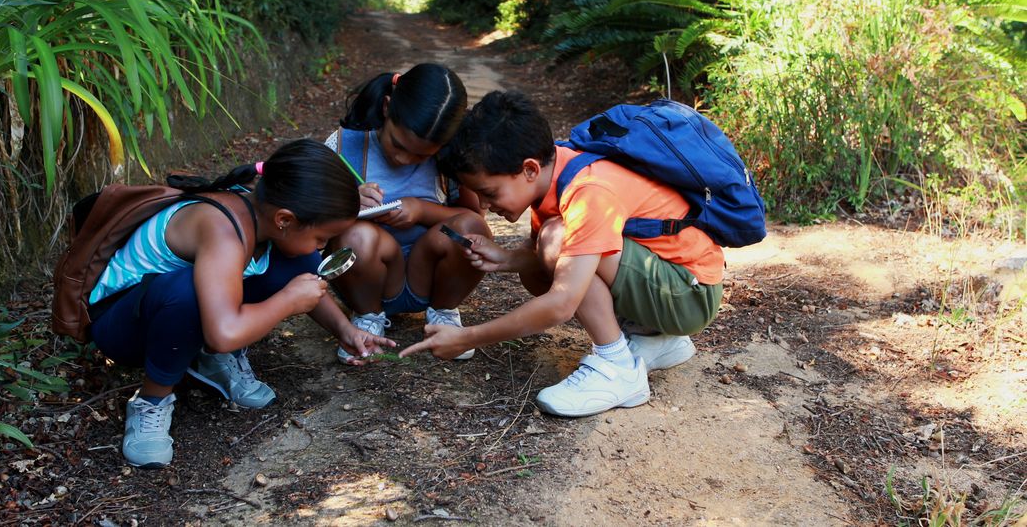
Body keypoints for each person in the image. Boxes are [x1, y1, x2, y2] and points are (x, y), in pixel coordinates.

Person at [401, 91, 725, 417]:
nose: (485, 206)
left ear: (529, 169)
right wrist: (508, 259)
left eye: (489, 193)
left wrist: (466, 338)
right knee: (552, 245)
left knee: (557, 237)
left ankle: (618, 367)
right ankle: (655, 338)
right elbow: (549, 268)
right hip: (670, 281)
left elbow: (560, 303)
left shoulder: (587, 191)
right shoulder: (555, 172)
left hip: (689, 294)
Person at [84, 139, 395, 468]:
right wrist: (288, 301)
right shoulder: (222, 229)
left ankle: (207, 360)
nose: (319, 248)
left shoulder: (263, 213)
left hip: (176, 311)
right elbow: (223, 332)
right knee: (185, 291)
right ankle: (151, 400)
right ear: (285, 219)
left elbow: (306, 276)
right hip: (122, 328)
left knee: (294, 258)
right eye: (321, 238)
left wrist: (346, 330)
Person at [323, 63, 490, 363]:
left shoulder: (448, 160)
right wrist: (347, 203)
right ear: (387, 108)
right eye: (397, 144)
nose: (403, 158)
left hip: (427, 276)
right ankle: (367, 319)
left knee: (470, 228)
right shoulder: (344, 145)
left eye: (420, 155)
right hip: (367, 278)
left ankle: (444, 315)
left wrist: (421, 210)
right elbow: (310, 218)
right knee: (357, 235)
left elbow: (473, 218)